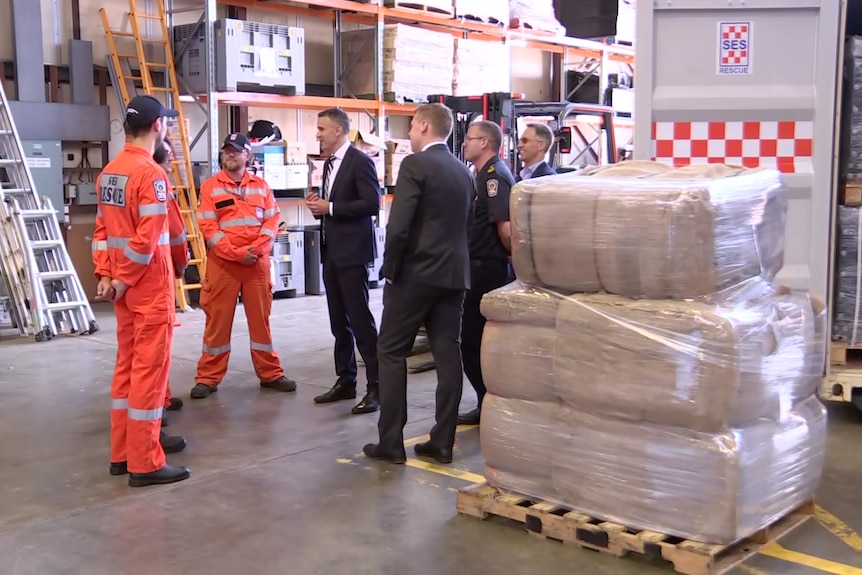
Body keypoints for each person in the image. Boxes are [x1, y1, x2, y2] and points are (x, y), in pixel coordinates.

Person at [363, 103, 474, 465]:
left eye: (412, 126)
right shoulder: (464, 171)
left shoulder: (415, 164)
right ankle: (442, 442)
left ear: (425, 126)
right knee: (448, 353)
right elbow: (465, 226)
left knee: (391, 351)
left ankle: (391, 442)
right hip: (454, 275)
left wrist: (390, 268)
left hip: (414, 276)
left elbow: (399, 225)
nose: (409, 133)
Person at [91, 94, 190, 487]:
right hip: (147, 289)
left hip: (123, 292)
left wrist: (106, 275)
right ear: (158, 127)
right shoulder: (152, 176)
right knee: (149, 375)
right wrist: (124, 278)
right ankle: (145, 462)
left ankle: (121, 454)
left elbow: (102, 233)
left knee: (127, 371)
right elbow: (148, 240)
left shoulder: (109, 173)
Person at [190, 133, 296, 399]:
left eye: (236, 151)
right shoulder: (210, 188)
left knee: (261, 324)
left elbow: (272, 222)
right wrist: (236, 253)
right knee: (217, 323)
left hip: (256, 265)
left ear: (247, 155)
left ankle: (270, 374)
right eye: (226, 150)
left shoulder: (261, 187)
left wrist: (257, 250)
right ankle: (208, 378)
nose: (230, 154)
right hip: (223, 265)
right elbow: (208, 227)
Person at [306, 108, 381, 415]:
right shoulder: (328, 166)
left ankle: (376, 387)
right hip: (332, 253)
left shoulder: (360, 162)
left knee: (361, 321)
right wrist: (320, 209)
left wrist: (332, 208)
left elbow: (371, 203)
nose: (318, 134)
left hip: (352, 254)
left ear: (338, 130)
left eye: (322, 128)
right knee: (339, 322)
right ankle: (345, 379)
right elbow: (332, 206)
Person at [457, 120, 517, 425]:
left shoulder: (494, 177)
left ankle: (487, 402)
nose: (465, 143)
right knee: (471, 340)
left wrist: (510, 255)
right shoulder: (481, 175)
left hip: (486, 270)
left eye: (469, 138)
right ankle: (485, 402)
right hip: (475, 266)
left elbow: (505, 227)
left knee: (472, 340)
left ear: (485, 143)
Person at [153, 136, 187, 415]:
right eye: (171, 155)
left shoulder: (117, 173)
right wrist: (181, 264)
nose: (174, 160)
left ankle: (161, 398)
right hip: (155, 277)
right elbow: (176, 232)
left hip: (126, 280)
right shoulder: (158, 183)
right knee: (154, 352)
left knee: (139, 352)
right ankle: (155, 410)